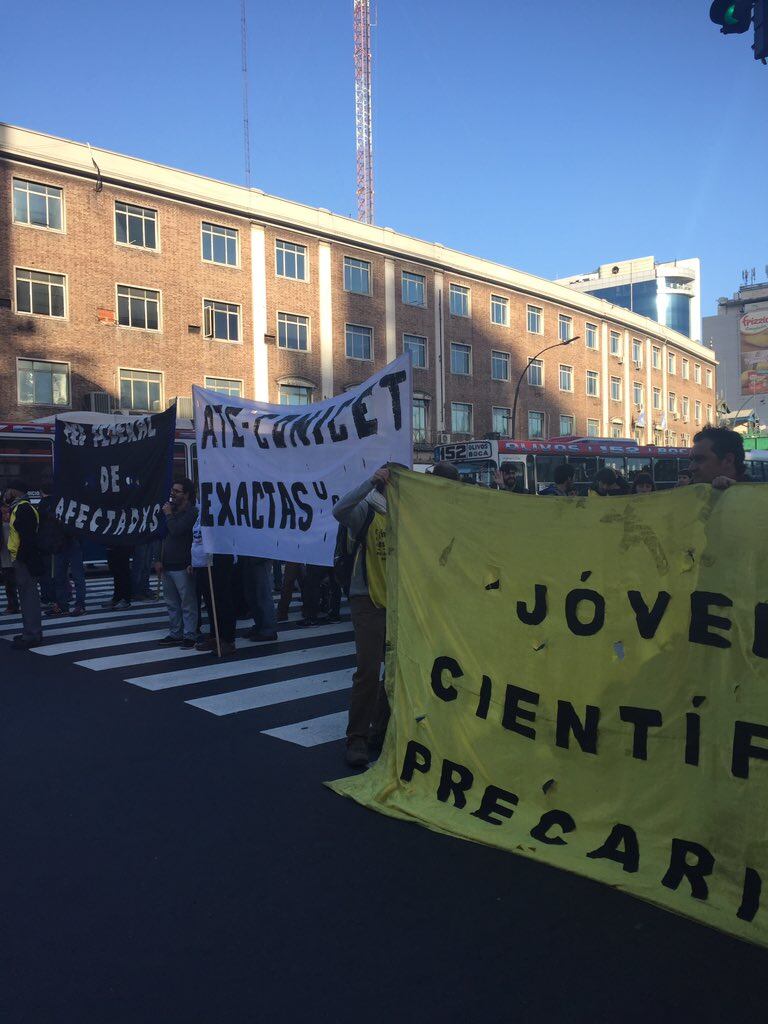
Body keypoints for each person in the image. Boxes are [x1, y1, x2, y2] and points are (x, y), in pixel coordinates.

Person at [333, 466, 390, 769]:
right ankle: (356, 737)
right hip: (367, 599)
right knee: (368, 670)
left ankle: (378, 731)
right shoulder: (368, 509)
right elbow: (339, 509)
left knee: (393, 671)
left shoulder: (406, 517)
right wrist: (370, 481)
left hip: (396, 602)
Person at [154, 478, 198, 647]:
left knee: (187, 602)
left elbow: (177, 530)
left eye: (177, 491)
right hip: (167, 564)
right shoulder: (170, 511)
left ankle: (190, 634)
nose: (173, 493)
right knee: (171, 602)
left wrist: (169, 515)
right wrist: (157, 559)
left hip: (183, 563)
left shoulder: (192, 512)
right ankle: (175, 632)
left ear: (186, 494)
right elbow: (161, 536)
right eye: (172, 490)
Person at [5, 479, 44, 649]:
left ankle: (32, 635)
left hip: (25, 560)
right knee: (27, 596)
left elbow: (27, 538)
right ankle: (30, 632)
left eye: (8, 490)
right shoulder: (21, 507)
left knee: (28, 598)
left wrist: (20, 558)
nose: (5, 493)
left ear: (14, 491)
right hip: (24, 559)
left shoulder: (23, 508)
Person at [196, 554, 237, 656]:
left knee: (222, 599)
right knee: (210, 601)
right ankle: (216, 636)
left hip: (221, 557)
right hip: (204, 560)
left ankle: (228, 640)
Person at [240, 556, 279, 642]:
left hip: (261, 554)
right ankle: (260, 625)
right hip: (248, 554)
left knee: (263, 593)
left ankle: (269, 629)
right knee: (251, 594)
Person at [52, 525, 87, 617]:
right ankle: (66, 605)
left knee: (75, 575)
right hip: (63, 539)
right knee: (60, 575)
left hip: (68, 538)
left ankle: (78, 605)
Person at [1, 494, 19, 614]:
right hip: (8, 556)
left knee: (10, 583)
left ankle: (13, 605)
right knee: (10, 583)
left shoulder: (7, 525)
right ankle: (13, 604)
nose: (6, 515)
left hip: (8, 557)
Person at [102, 546, 133, 610]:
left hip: (122, 545)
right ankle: (117, 597)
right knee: (115, 572)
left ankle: (126, 599)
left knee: (123, 572)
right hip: (111, 545)